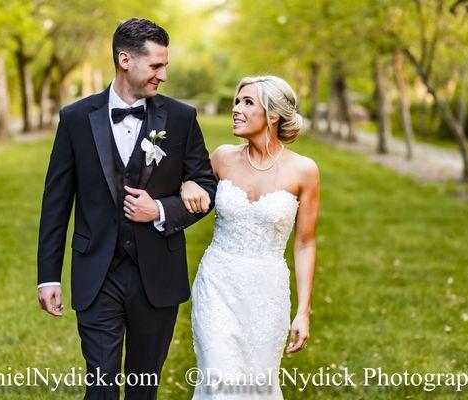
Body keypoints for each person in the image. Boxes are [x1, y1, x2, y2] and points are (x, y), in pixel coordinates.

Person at [36, 18, 217, 400]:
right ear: (124, 59)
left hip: (157, 275)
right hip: (97, 274)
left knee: (143, 388)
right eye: (155, 65)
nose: (163, 75)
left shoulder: (182, 118)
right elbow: (56, 202)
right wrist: (48, 276)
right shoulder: (75, 118)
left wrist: (163, 210)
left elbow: (205, 188)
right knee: (100, 385)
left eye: (165, 65)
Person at [181, 76, 320, 398]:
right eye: (236, 101)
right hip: (217, 284)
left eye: (247, 102)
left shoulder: (304, 171)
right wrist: (188, 185)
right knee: (220, 381)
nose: (236, 109)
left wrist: (303, 311)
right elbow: (188, 189)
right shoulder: (222, 158)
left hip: (267, 292)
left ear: (273, 115)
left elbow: (305, 243)